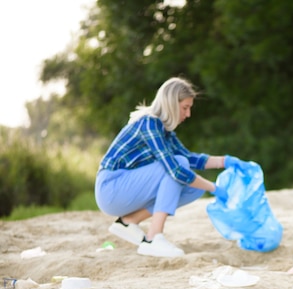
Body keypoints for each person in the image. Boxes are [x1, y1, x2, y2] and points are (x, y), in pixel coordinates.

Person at [95, 77, 251, 258]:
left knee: (194, 188)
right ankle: (154, 238)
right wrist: (215, 188)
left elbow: (189, 158)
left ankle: (128, 222)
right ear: (170, 103)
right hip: (111, 189)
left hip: (125, 189)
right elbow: (175, 170)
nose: (188, 114)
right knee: (179, 168)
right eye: (185, 107)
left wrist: (225, 161)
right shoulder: (149, 123)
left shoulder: (165, 132)